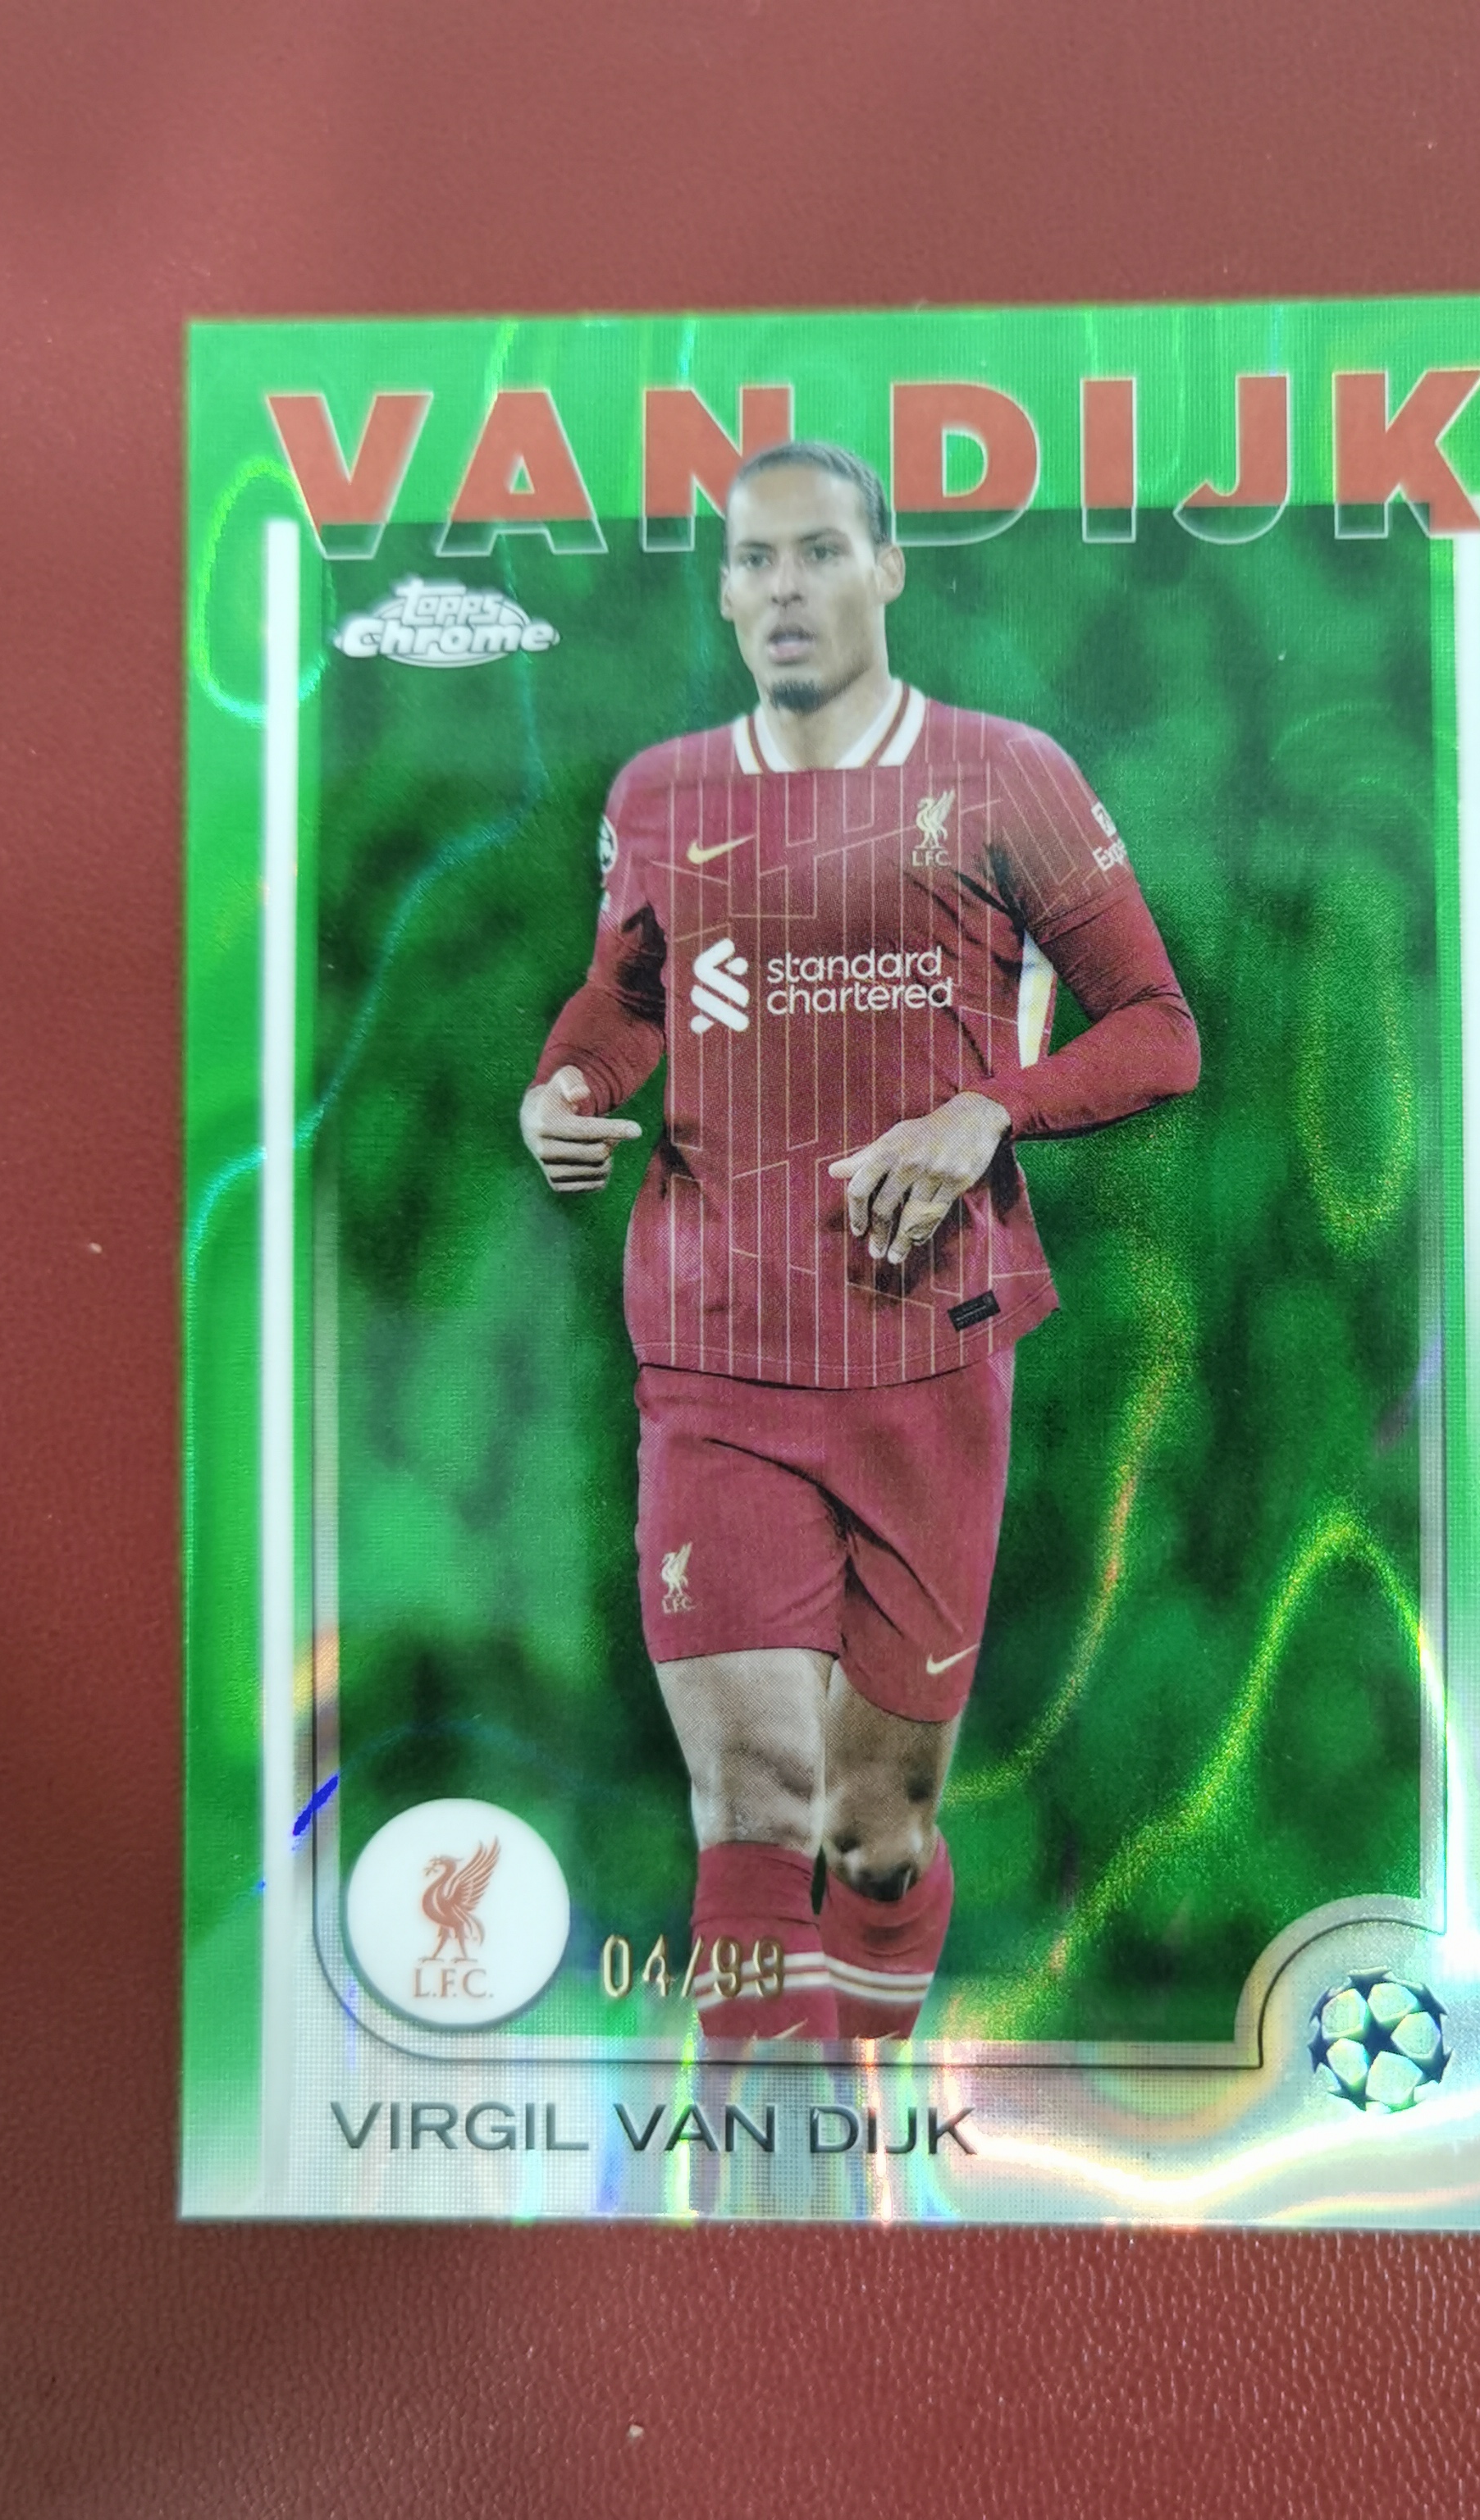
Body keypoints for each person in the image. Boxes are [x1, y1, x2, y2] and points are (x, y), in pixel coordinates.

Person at [519, 440, 1198, 2042]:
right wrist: (567, 1086)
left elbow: (1159, 1031)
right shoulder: (662, 795)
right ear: (723, 593)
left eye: (820, 551)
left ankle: (876, 2058)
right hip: (715, 1348)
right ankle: (768, 2145)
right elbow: (626, 997)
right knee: (755, 1793)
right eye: (753, 560)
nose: (784, 588)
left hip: (922, 1354)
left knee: (868, 1822)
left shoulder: (1005, 774)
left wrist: (990, 1113)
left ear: (888, 569)